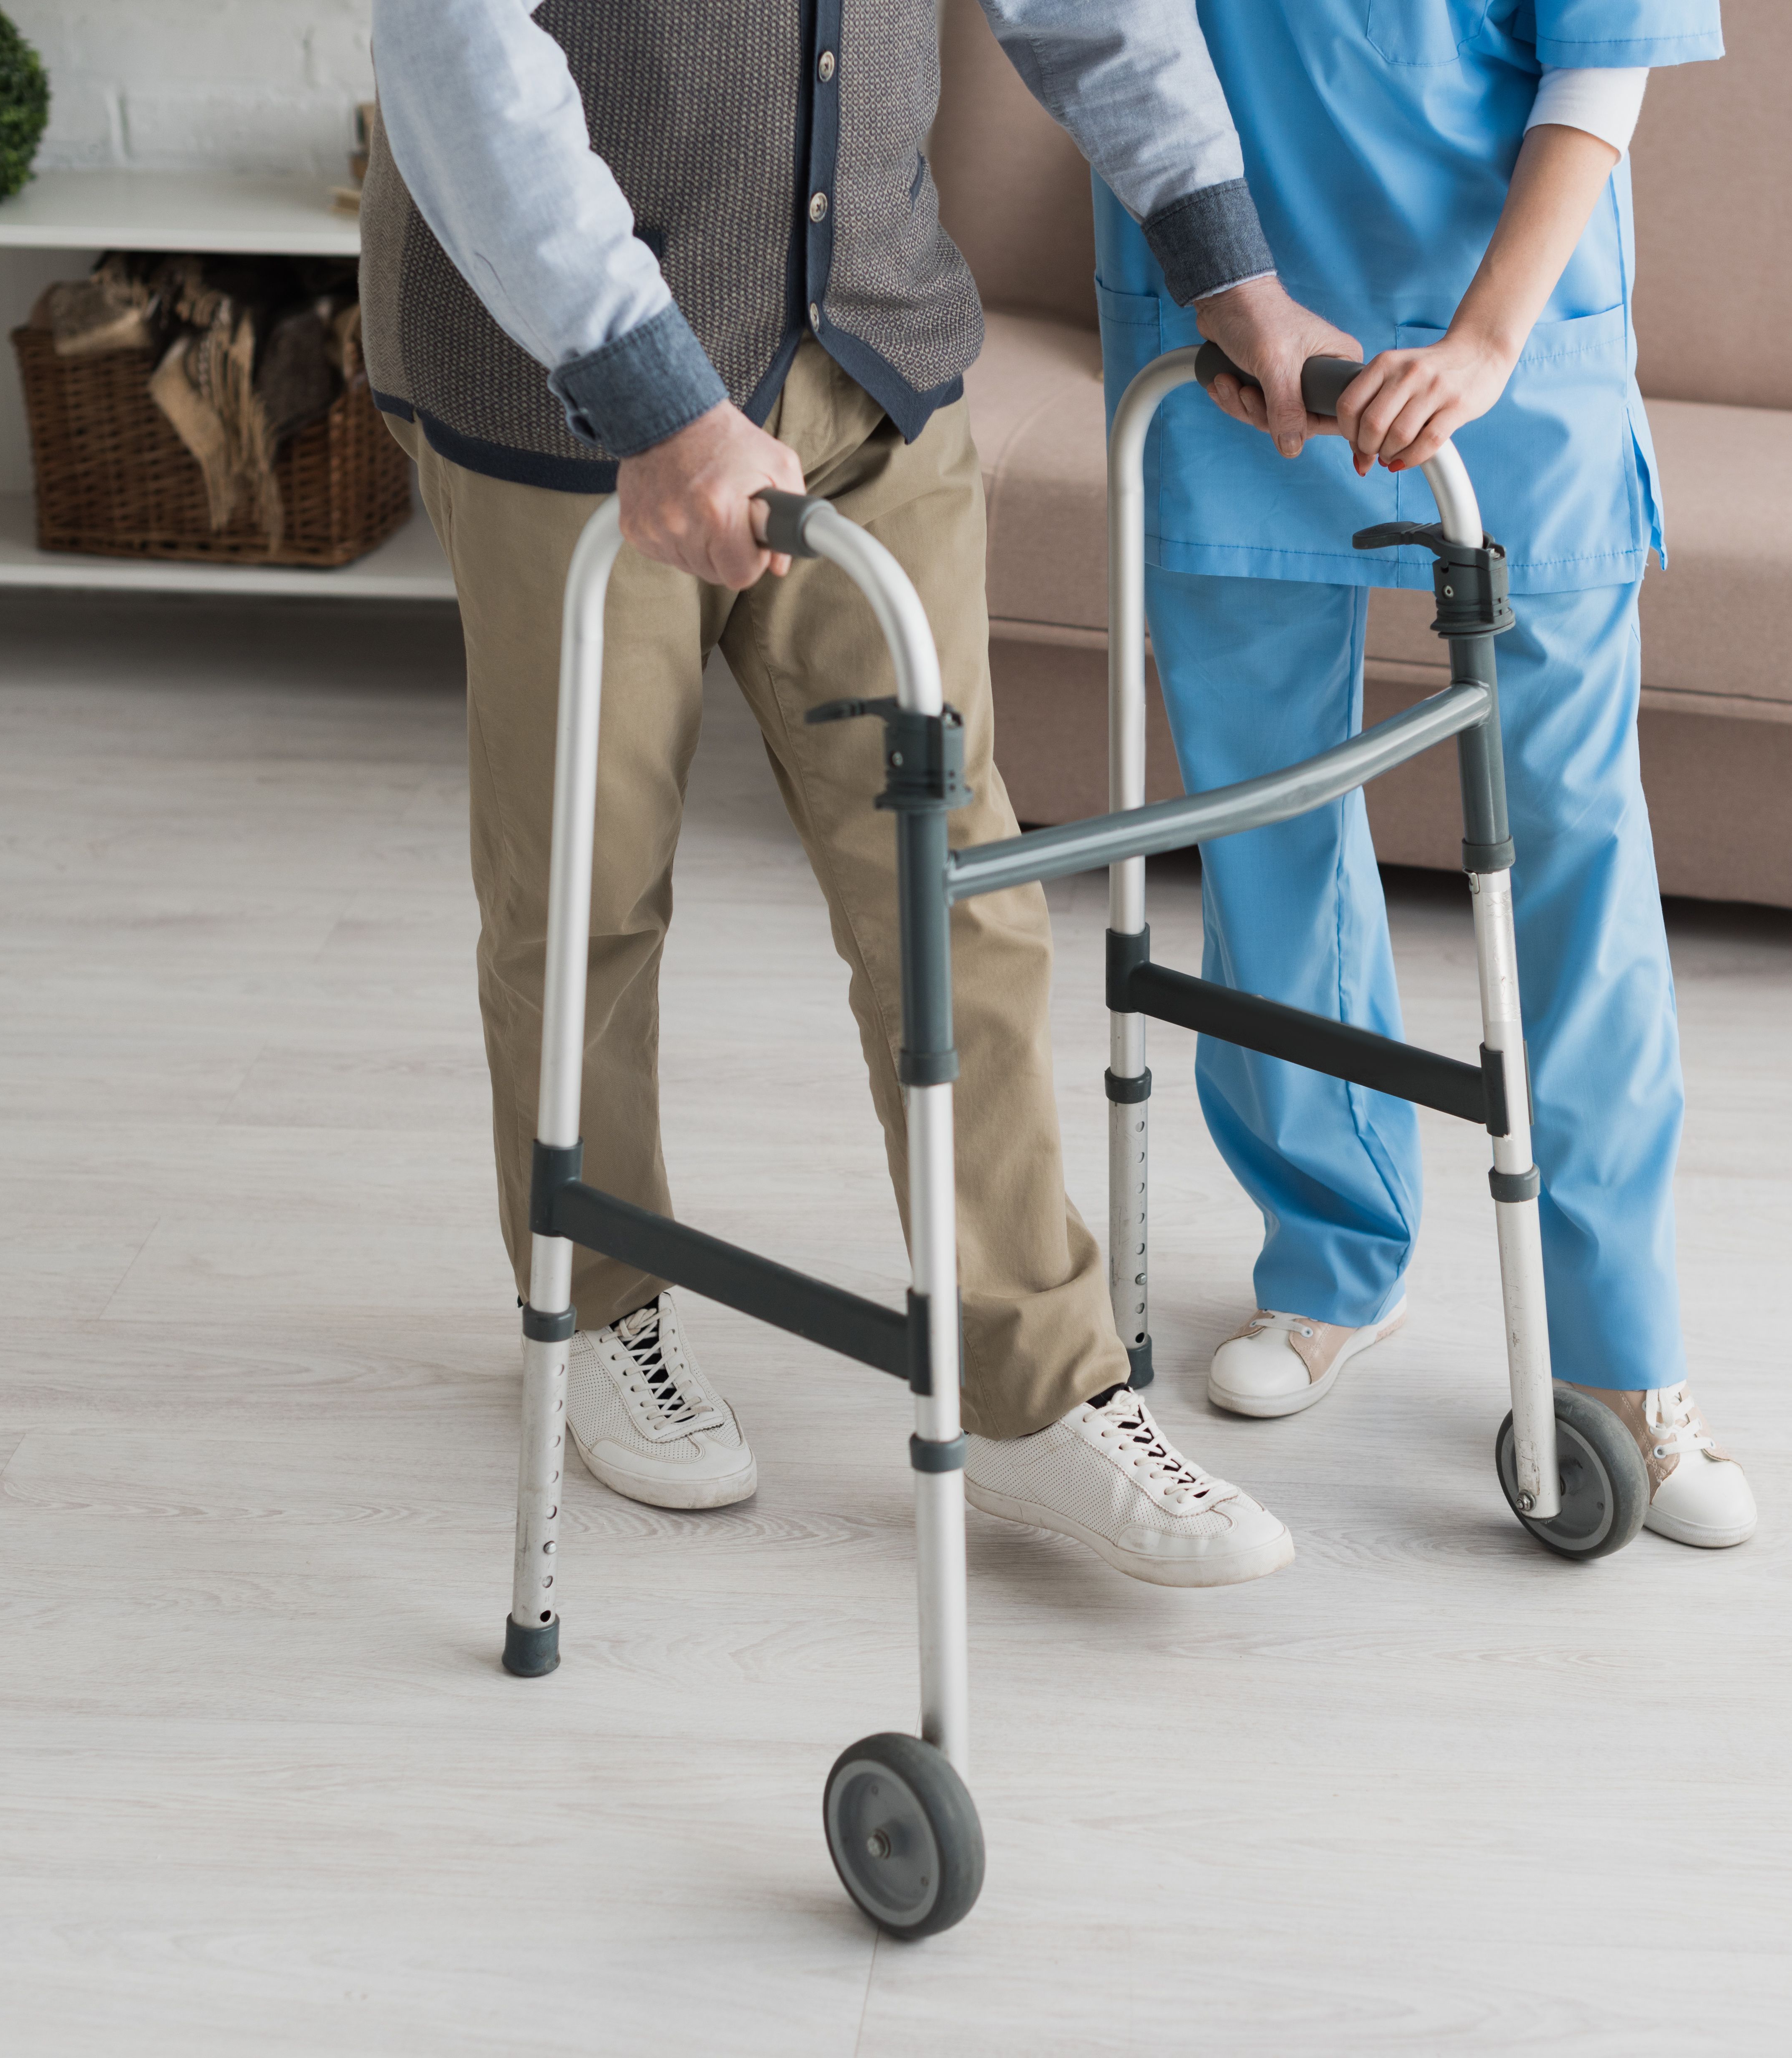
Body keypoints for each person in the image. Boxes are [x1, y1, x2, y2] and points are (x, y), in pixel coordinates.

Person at [364, 0, 1355, 1585]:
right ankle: (600, 1300)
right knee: (584, 893)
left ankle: (1040, 1390)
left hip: (873, 352)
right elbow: (452, 51)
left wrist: (1228, 267)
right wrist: (657, 394)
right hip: (571, 380)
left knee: (952, 881)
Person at [1091, 0, 1758, 1545]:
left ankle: (1616, 1359)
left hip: (1503, 324)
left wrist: (1486, 339)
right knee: (1266, 820)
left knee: (1573, 846)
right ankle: (1333, 1258)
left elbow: (1606, 54)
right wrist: (1232, 291)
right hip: (1228, 310)